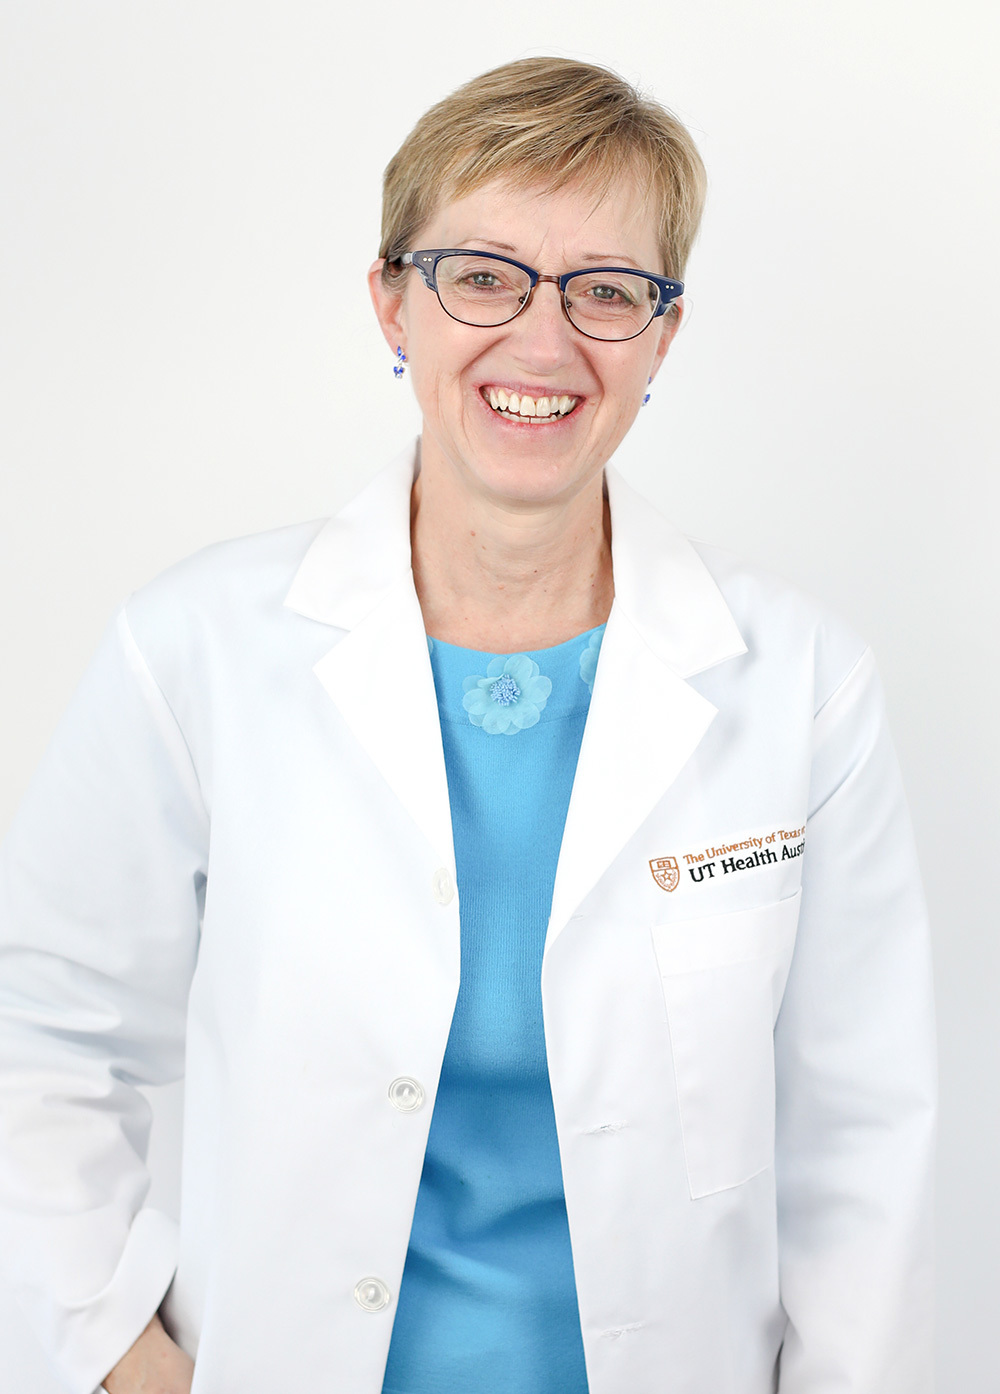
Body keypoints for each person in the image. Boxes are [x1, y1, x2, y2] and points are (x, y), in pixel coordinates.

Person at [0, 56, 935, 1394]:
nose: (543, 345)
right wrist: (117, 1358)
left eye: (607, 291)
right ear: (392, 301)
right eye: (483, 276)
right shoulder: (195, 652)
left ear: (663, 336)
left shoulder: (800, 687)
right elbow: (37, 1033)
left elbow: (861, 1150)